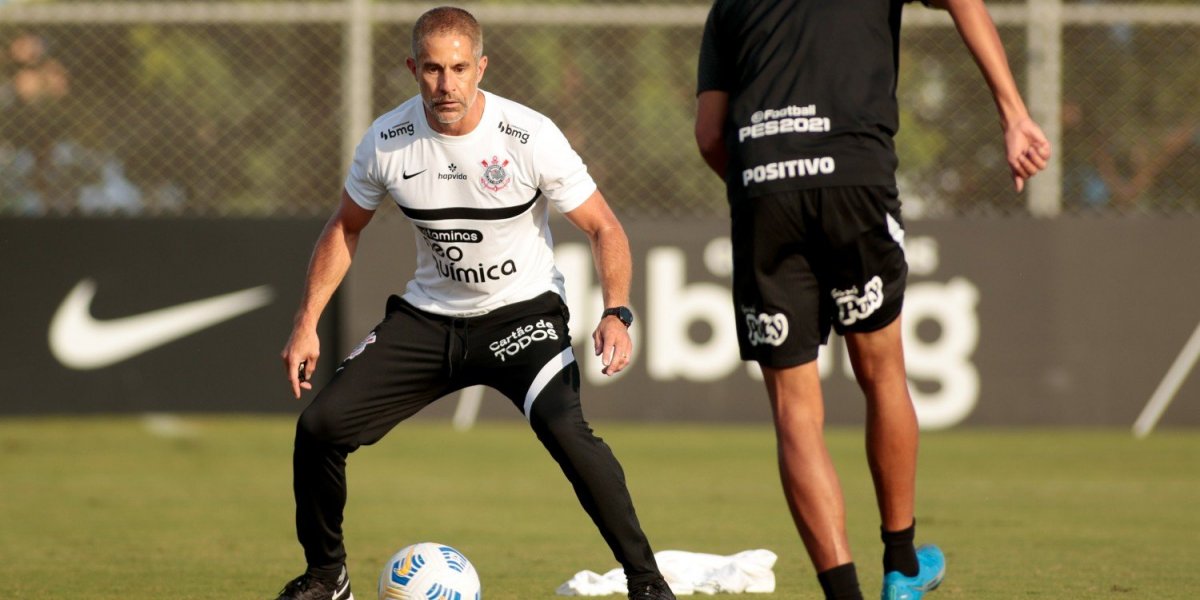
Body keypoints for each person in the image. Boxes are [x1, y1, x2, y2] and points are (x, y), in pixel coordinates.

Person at [274, 7, 675, 600]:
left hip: (522, 316)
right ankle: (326, 576)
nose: (446, 84)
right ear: (412, 68)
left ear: (481, 67)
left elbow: (604, 228)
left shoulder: (529, 136)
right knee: (319, 428)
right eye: (432, 69)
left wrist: (616, 311)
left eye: (459, 68)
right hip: (428, 320)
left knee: (567, 432)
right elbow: (345, 226)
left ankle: (647, 583)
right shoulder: (386, 140)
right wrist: (306, 321)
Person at [693, 1, 1050, 599]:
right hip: (852, 177)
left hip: (762, 183)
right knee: (883, 374)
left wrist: (768, 188)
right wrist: (1014, 114)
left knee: (795, 411)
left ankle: (843, 595)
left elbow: (709, 134)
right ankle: (902, 565)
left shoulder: (729, 5)